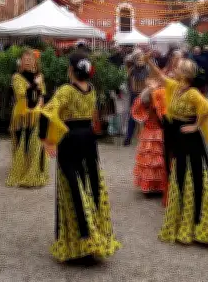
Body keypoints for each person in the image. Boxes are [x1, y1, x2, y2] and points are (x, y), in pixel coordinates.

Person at [39, 51, 120, 263]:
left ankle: (79, 241)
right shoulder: (92, 90)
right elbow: (92, 116)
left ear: (71, 70)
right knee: (90, 183)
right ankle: (93, 236)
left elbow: (47, 112)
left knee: (72, 186)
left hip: (71, 139)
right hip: (88, 139)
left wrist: (46, 139)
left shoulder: (66, 90)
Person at [147, 57, 208, 245]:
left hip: (189, 138)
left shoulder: (193, 93)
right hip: (177, 136)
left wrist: (196, 125)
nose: (174, 70)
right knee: (179, 172)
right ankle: (182, 218)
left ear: (185, 74)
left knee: (192, 173)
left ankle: (198, 219)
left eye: (178, 69)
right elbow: (161, 77)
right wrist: (149, 62)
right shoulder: (175, 87)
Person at [6, 49, 49, 188]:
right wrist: (35, 84)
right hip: (21, 116)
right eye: (25, 59)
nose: (28, 61)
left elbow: (42, 93)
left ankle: (34, 172)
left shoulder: (39, 75)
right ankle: (22, 172)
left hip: (36, 115)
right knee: (22, 145)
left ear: (35, 61)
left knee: (36, 144)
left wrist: (40, 103)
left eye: (30, 59)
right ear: (21, 61)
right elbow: (22, 94)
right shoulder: (17, 77)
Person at [131, 73, 168, 198]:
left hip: (149, 132)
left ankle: (151, 186)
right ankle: (158, 186)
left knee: (151, 161)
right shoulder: (159, 97)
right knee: (158, 160)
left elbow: (139, 112)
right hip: (158, 132)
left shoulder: (146, 98)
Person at [123, 50, 150, 146]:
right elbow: (129, 84)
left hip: (145, 95)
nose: (140, 61)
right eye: (138, 59)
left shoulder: (147, 69)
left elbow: (149, 82)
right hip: (134, 95)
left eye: (141, 59)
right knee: (132, 116)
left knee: (147, 117)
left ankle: (147, 139)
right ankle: (128, 137)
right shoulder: (132, 70)